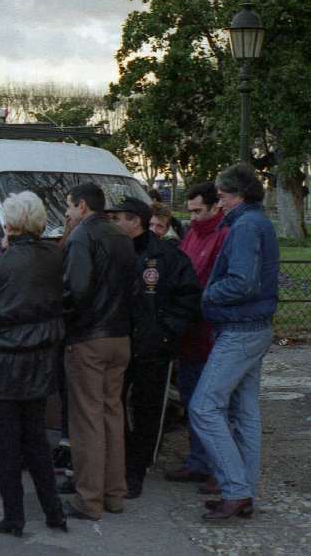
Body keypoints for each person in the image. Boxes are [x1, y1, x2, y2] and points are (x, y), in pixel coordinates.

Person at [0, 192, 68, 536]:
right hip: (40, 358)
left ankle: (14, 516)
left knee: (6, 443)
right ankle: (54, 512)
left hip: (1, 360)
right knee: (36, 439)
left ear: (9, 223)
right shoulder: (55, 257)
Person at [189, 164, 279, 521]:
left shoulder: (244, 226)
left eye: (223, 196)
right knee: (245, 412)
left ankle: (236, 489)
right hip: (255, 326)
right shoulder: (257, 222)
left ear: (238, 195)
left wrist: (206, 294)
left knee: (203, 407)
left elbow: (242, 282)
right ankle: (244, 490)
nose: (220, 202)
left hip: (239, 328)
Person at [107, 197, 201, 499]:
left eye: (119, 218)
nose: (114, 223)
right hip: (118, 343)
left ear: (135, 221)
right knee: (114, 404)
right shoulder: (114, 251)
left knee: (148, 409)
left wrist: (165, 332)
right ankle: (119, 462)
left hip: (153, 347)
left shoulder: (167, 256)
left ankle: (137, 468)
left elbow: (188, 297)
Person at [60, 182, 135, 521]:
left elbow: (75, 291)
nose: (67, 213)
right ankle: (114, 493)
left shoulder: (82, 236)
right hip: (120, 335)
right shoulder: (121, 235)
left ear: (82, 206)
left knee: (87, 420)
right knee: (112, 415)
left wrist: (63, 322)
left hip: (89, 337)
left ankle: (89, 499)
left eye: (69, 206)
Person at [165, 182, 228, 485]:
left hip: (208, 331)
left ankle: (217, 466)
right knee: (192, 400)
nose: (193, 217)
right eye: (189, 211)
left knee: (211, 406)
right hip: (189, 331)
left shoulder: (223, 236)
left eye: (198, 211)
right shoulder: (192, 234)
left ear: (216, 207)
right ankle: (198, 460)